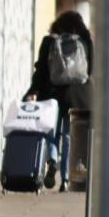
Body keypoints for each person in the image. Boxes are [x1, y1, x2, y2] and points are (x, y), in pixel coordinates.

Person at [25, 11, 94, 179]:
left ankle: (53, 160)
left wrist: (33, 90)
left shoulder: (49, 41)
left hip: (52, 94)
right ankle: (66, 178)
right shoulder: (85, 42)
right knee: (70, 135)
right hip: (78, 96)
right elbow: (90, 70)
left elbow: (41, 70)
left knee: (52, 132)